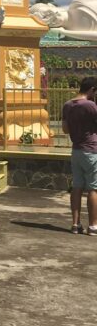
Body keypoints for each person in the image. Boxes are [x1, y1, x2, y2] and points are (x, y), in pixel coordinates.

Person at [61, 76, 97, 234]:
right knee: (93, 189)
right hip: (91, 150)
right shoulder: (91, 105)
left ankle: (75, 224)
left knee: (76, 187)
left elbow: (65, 129)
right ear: (92, 90)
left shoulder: (67, 105)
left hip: (76, 150)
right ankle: (93, 226)